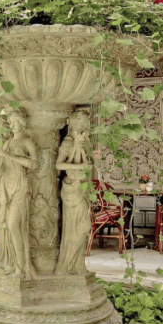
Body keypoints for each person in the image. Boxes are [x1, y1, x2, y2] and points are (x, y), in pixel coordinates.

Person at [0, 108, 38, 279]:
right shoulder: (8, 142)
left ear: (23, 123)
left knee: (13, 225)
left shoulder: (27, 142)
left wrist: (9, 156)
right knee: (5, 225)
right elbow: (1, 163)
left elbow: (33, 165)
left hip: (20, 186)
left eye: (16, 122)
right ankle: (11, 262)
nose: (13, 125)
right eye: (11, 122)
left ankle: (21, 266)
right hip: (5, 185)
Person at [55, 109, 92, 275]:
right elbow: (59, 165)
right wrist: (79, 166)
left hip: (83, 187)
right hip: (72, 188)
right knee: (80, 227)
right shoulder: (69, 141)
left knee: (82, 228)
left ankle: (77, 265)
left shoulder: (85, 140)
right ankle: (65, 265)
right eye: (82, 121)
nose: (85, 125)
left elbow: (89, 162)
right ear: (75, 122)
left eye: (86, 121)